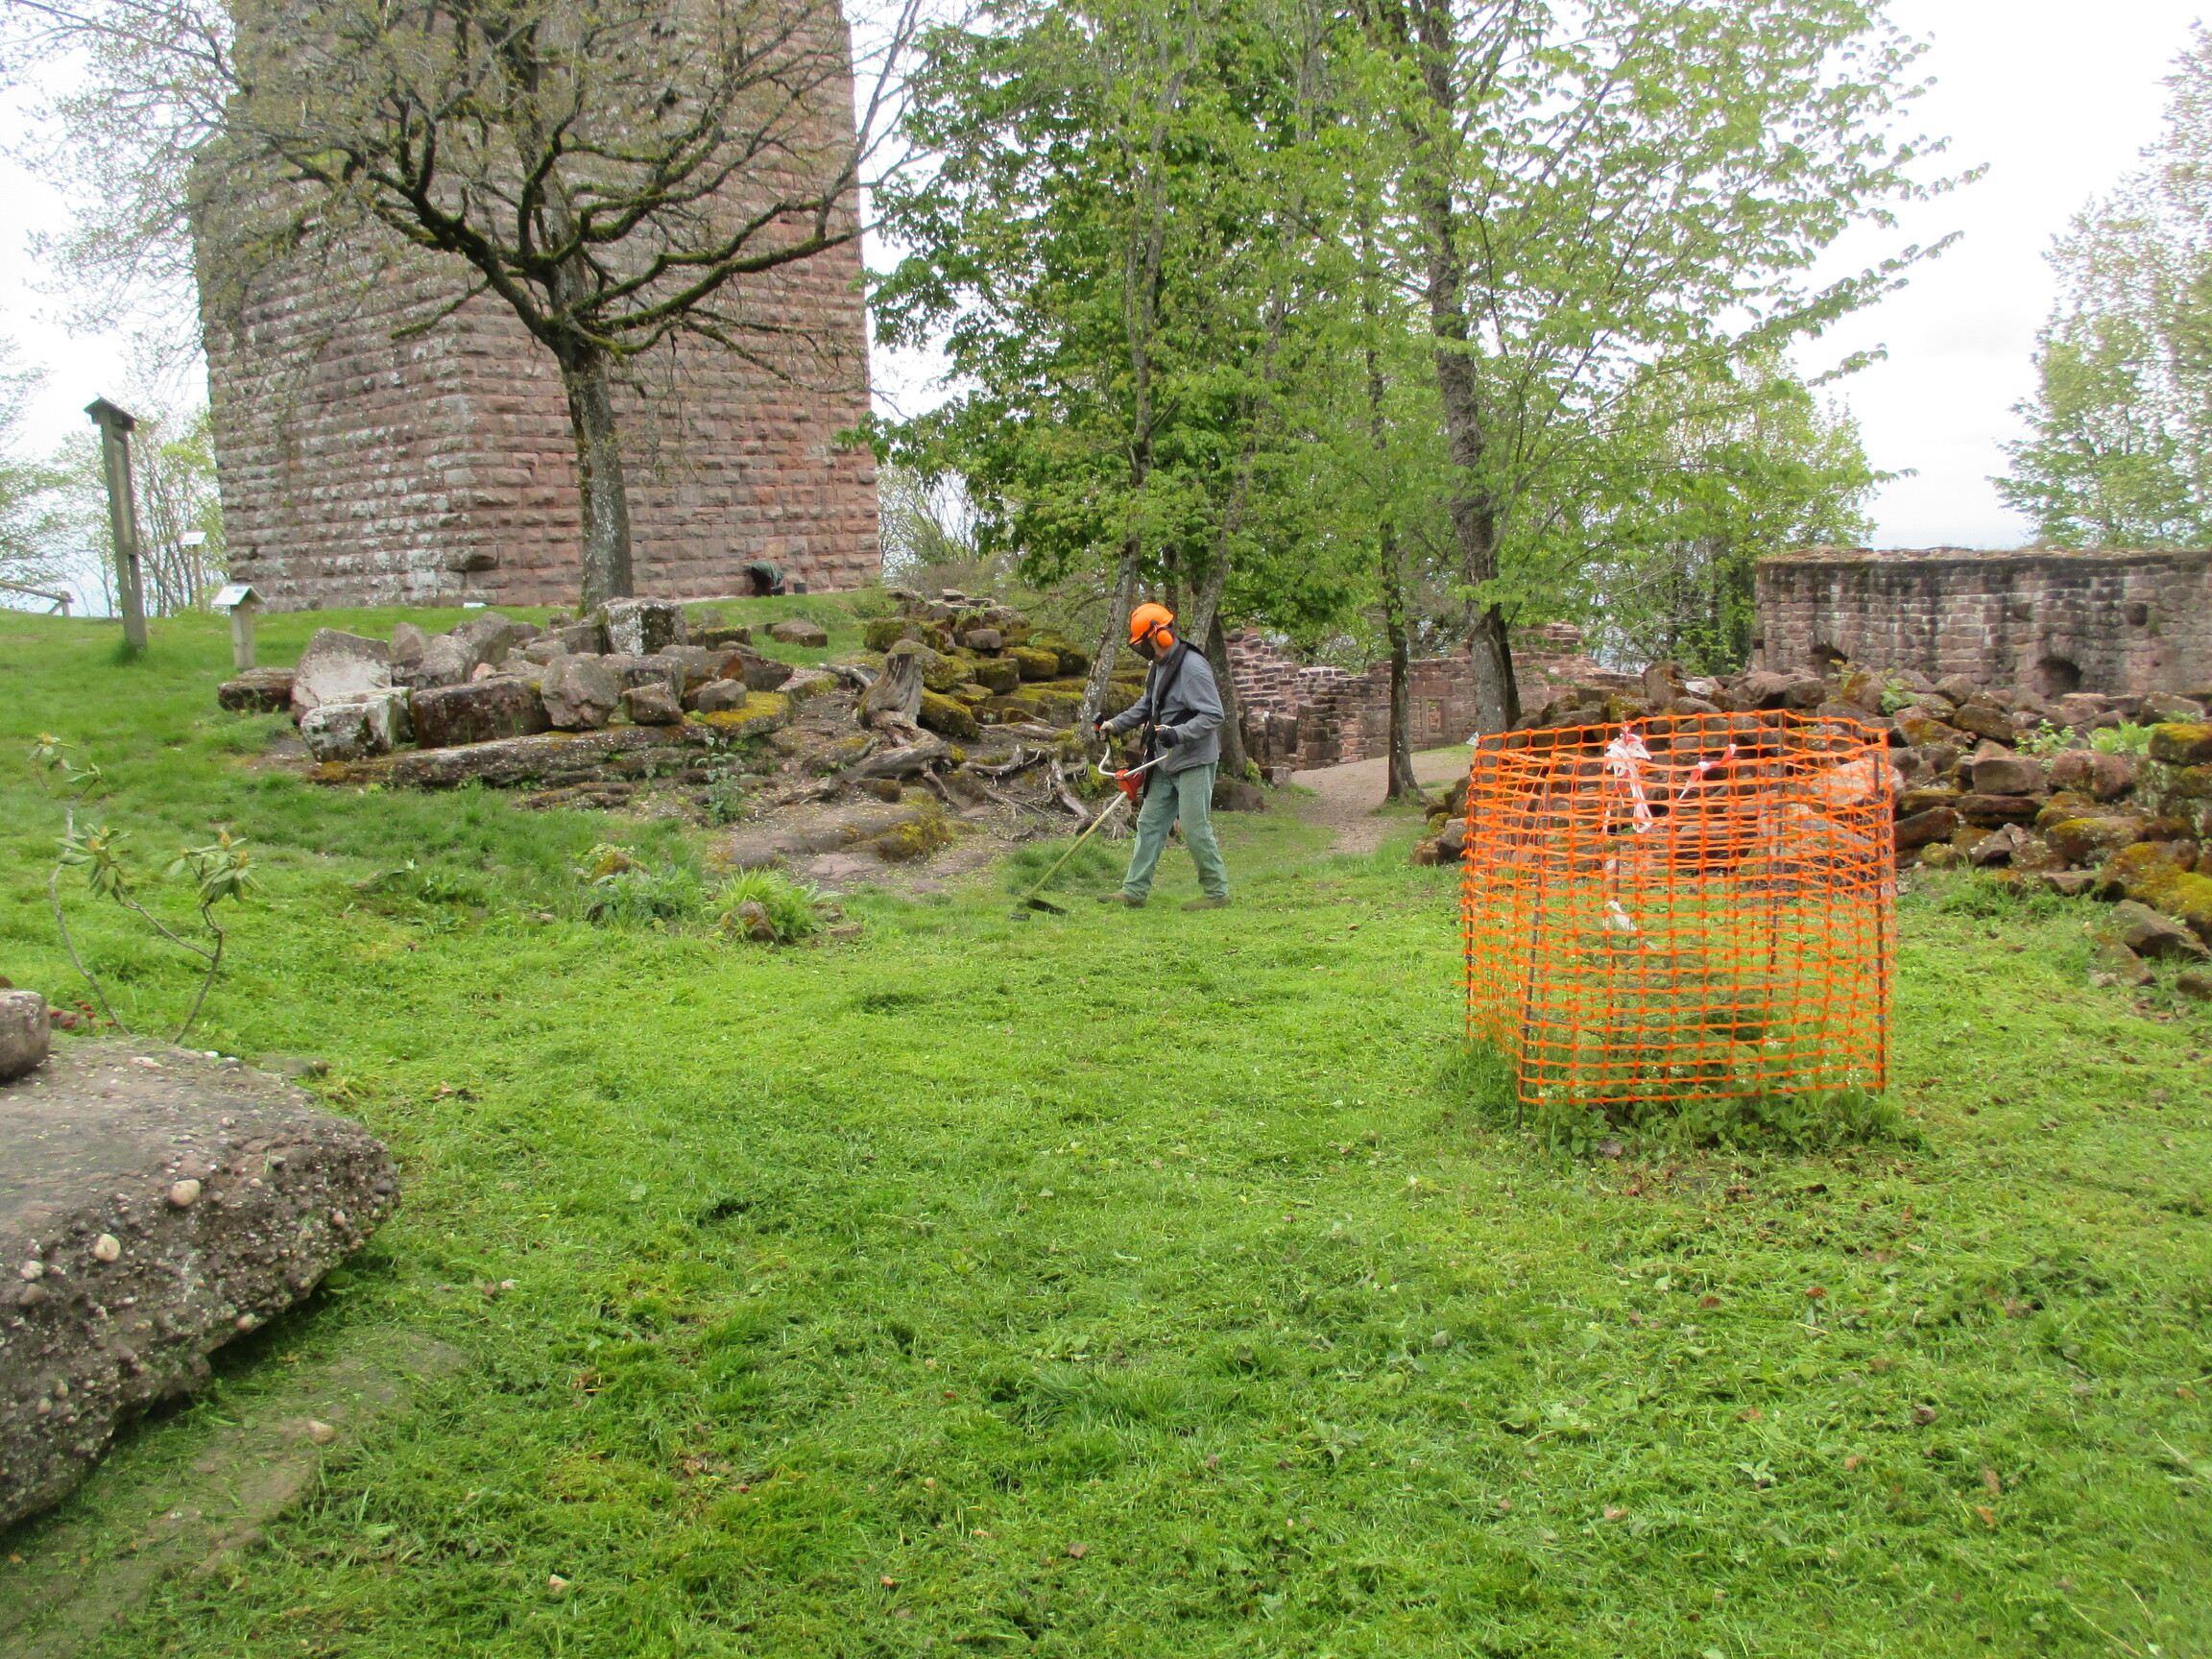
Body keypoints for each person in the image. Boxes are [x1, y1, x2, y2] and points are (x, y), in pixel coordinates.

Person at [1094, 602, 1231, 910]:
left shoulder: (1192, 667)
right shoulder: (1159, 666)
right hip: (1163, 760)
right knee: (1149, 824)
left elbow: (1214, 714)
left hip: (1193, 760)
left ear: (1160, 635)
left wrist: (1178, 733)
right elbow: (1147, 705)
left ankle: (1216, 893)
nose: (1141, 649)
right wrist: (1115, 724)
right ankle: (1133, 892)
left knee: (1195, 829)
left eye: (1143, 642)